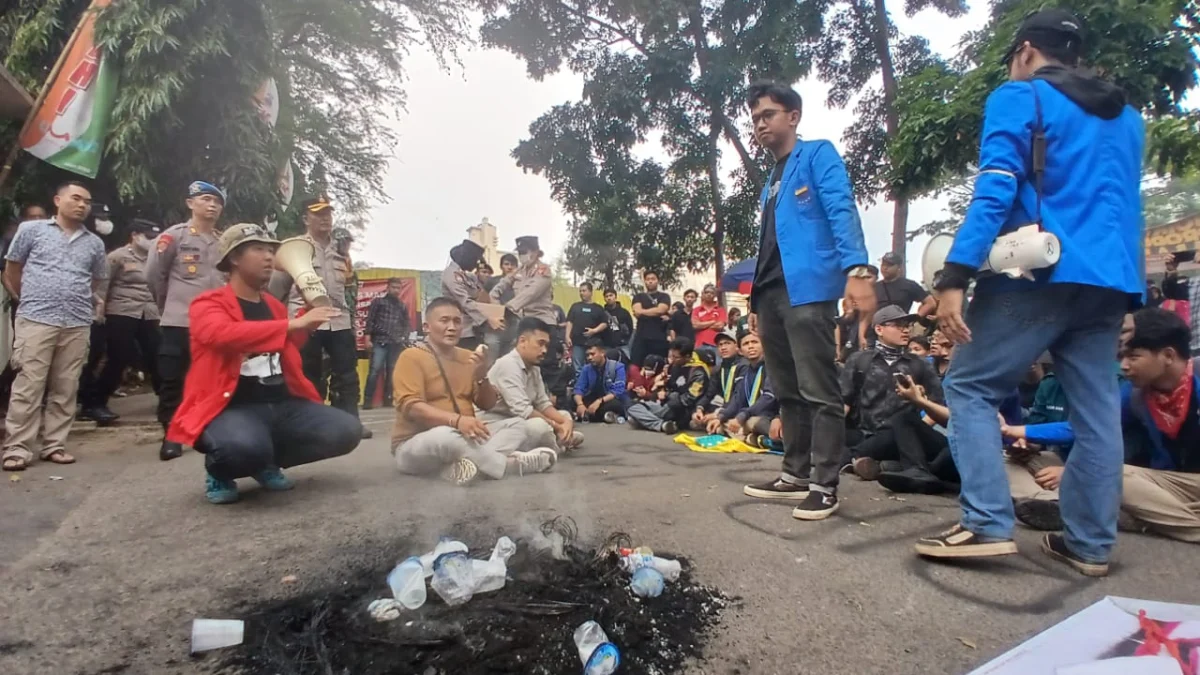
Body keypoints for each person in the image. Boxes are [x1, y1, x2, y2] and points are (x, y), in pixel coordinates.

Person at [917, 9, 1144, 570]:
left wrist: (954, 277)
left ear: (1024, 52)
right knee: (1096, 415)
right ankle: (1090, 545)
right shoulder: (1129, 119)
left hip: (1037, 273)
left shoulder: (1020, 98)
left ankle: (985, 522)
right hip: (1111, 283)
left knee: (969, 387)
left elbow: (996, 189)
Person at [741, 81, 874, 521]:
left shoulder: (817, 155)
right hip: (772, 294)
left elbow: (840, 207)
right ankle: (794, 474)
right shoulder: (770, 180)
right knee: (787, 390)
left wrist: (856, 268)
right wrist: (755, 302)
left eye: (769, 115)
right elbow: (766, 245)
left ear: (793, 116)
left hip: (809, 291)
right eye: (756, 118)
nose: (761, 124)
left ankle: (824, 484)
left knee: (819, 390)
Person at [164, 223, 361, 503]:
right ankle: (220, 469)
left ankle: (264, 462)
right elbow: (221, 335)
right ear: (233, 258)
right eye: (259, 250)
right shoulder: (207, 303)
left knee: (347, 431)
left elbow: (287, 347)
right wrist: (294, 324)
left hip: (280, 403)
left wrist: (307, 317)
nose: (270, 257)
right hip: (231, 407)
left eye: (271, 251)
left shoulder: (274, 306)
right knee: (240, 449)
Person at [1005, 309, 1200, 553]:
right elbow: (1085, 428)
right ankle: (1065, 505)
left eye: (1134, 357)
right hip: (1162, 486)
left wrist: (1076, 472)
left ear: (1168, 355)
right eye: (1122, 357)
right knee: (1012, 460)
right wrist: (1019, 432)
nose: (1124, 366)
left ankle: (1167, 523)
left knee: (1112, 475)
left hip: (1173, 484)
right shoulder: (1138, 395)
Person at [391, 298, 559, 485]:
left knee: (518, 425)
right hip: (416, 444)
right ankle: (509, 465)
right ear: (426, 327)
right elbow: (411, 407)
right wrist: (457, 421)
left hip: (465, 436)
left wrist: (482, 376)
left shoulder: (468, 357)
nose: (452, 327)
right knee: (446, 436)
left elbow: (486, 404)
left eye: (457, 321)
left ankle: (465, 466)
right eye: (444, 320)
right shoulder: (411, 356)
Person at [0, 183, 107, 472]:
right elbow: (12, 269)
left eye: (87, 201)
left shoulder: (94, 243)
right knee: (28, 386)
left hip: (76, 322)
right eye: (76, 198)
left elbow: (95, 281)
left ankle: (54, 445)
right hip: (36, 318)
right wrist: (31, 297)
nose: (82, 205)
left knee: (66, 386)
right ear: (57, 200)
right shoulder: (31, 231)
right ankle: (17, 448)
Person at [268, 196, 369, 438]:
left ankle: (348, 422)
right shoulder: (293, 248)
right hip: (307, 320)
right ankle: (311, 424)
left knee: (346, 373)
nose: (325, 218)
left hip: (339, 320)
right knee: (308, 373)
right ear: (306, 218)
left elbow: (347, 289)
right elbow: (275, 289)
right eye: (318, 213)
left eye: (328, 213)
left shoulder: (341, 251)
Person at [147, 181, 228, 460]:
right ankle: (171, 434)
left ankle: (206, 429)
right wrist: (168, 306)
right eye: (206, 199)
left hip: (215, 324)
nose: (212, 206)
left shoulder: (224, 242)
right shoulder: (174, 237)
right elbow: (154, 275)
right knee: (173, 380)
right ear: (190, 203)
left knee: (211, 379)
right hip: (179, 321)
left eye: (217, 202)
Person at [79, 219, 163, 423]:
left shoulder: (158, 258)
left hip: (149, 312)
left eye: (155, 238)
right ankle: (95, 403)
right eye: (149, 237)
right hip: (121, 311)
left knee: (157, 355)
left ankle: (169, 401)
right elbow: (102, 284)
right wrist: (99, 311)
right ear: (134, 236)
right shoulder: (118, 257)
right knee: (120, 356)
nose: (152, 241)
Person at [481, 317, 584, 453]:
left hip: (517, 421)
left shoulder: (534, 367)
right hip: (497, 424)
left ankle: (556, 442)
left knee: (564, 414)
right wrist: (558, 427)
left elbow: (543, 403)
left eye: (546, 345)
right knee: (539, 426)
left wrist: (566, 422)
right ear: (522, 341)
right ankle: (556, 445)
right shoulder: (508, 364)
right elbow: (524, 410)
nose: (544, 350)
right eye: (540, 344)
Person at [706, 332, 780, 448]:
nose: (750, 346)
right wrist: (720, 417)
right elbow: (738, 398)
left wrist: (742, 415)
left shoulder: (772, 367)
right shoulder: (747, 371)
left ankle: (768, 441)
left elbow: (768, 397)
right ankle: (755, 439)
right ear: (740, 351)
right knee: (722, 425)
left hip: (775, 416)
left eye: (754, 342)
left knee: (752, 423)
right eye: (746, 344)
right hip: (752, 415)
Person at [626, 337, 710, 434]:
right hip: (665, 404)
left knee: (635, 416)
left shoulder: (698, 372)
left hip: (681, 409)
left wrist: (668, 395)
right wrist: (662, 390)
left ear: (687, 356)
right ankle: (663, 425)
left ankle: (649, 421)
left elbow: (691, 397)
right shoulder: (674, 366)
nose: (672, 360)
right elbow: (667, 385)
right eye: (671, 356)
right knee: (631, 406)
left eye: (676, 357)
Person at [442, 239, 502, 352]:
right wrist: (487, 319)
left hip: (472, 328)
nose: (476, 264)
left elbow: (479, 294)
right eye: (475, 260)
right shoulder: (451, 275)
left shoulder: (466, 275)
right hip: (461, 330)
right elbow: (465, 301)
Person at [363, 277, 411, 410]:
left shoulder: (402, 306)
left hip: (395, 343)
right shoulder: (378, 302)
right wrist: (367, 338)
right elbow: (370, 321)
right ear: (388, 288)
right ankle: (367, 401)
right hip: (379, 342)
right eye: (394, 288)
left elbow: (406, 324)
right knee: (374, 370)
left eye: (398, 288)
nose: (396, 291)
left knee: (392, 372)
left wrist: (404, 337)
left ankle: (388, 400)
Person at [691, 330, 744, 431]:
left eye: (727, 343)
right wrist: (699, 408)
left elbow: (739, 397)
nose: (723, 348)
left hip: (739, 407)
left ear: (737, 346)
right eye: (720, 345)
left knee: (715, 426)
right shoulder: (718, 369)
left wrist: (717, 413)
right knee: (695, 420)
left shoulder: (744, 366)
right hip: (725, 407)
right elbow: (709, 393)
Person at [573, 338, 629, 423]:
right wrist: (580, 404)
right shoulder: (586, 368)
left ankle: (589, 416)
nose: (590, 358)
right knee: (572, 400)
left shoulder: (618, 367)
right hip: (593, 398)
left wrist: (599, 401)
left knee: (615, 404)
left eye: (592, 354)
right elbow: (579, 389)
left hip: (608, 400)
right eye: (587, 355)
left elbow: (617, 391)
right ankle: (595, 415)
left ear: (602, 353)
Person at [630, 271, 672, 368]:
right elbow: (637, 311)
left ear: (658, 281)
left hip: (659, 338)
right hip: (641, 337)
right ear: (644, 281)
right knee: (636, 366)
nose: (650, 281)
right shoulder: (638, 297)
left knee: (659, 366)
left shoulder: (664, 296)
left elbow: (661, 309)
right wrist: (655, 312)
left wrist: (643, 312)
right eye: (648, 279)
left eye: (653, 279)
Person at [876, 252, 936, 317]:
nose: (885, 268)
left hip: (900, 324)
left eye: (889, 265)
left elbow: (930, 303)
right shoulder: (874, 287)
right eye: (883, 264)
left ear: (899, 267)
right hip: (877, 325)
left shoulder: (909, 285)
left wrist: (915, 318)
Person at [565, 282, 608, 370]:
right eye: (580, 291)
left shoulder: (598, 308)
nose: (581, 293)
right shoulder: (575, 306)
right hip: (577, 343)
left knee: (594, 366)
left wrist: (594, 331)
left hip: (593, 343)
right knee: (577, 367)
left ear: (591, 292)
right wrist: (567, 336)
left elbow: (605, 323)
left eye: (584, 291)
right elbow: (569, 321)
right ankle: (580, 383)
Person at [691, 283, 728, 358]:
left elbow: (720, 326)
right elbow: (695, 325)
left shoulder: (720, 310)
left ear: (715, 295)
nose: (709, 294)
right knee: (699, 369)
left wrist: (702, 324)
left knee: (717, 368)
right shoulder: (696, 310)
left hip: (716, 345)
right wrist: (713, 321)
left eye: (711, 293)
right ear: (703, 294)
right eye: (707, 292)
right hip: (700, 344)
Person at [602, 288, 634, 357]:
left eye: (611, 295)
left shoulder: (624, 312)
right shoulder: (602, 313)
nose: (609, 298)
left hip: (623, 346)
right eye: (606, 296)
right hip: (607, 346)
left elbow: (630, 328)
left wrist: (625, 340)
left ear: (615, 297)